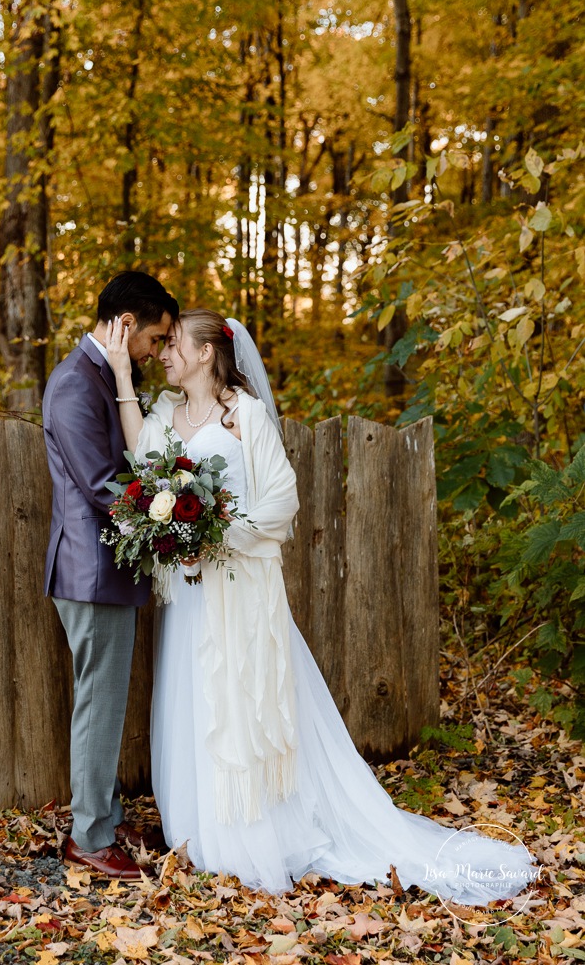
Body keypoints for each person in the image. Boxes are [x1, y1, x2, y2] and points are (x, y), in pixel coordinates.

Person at [106, 308, 539, 903]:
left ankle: (253, 833)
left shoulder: (245, 415)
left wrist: (214, 536)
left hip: (238, 587)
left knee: (242, 699)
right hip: (188, 594)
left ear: (208, 352)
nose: (164, 353)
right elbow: (143, 466)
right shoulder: (163, 413)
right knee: (195, 697)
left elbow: (281, 499)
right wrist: (124, 384)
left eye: (175, 343)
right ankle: (202, 829)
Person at [42, 270, 178, 879]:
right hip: (92, 570)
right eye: (154, 338)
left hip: (105, 570)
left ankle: (106, 813)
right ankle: (90, 837)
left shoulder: (99, 375)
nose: (156, 351)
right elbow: (102, 484)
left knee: (107, 700)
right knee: (98, 704)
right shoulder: (74, 383)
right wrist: (167, 512)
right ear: (125, 325)